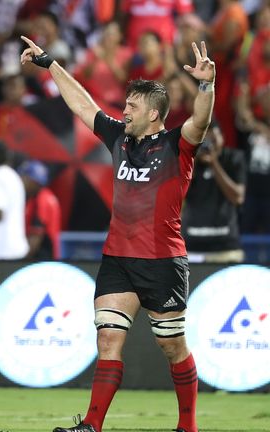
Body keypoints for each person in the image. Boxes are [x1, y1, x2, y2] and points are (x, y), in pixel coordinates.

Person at [20, 35, 215, 432]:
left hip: (163, 261)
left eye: (132, 106)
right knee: (108, 340)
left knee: (172, 346)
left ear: (155, 114)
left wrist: (206, 86)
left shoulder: (178, 144)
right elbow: (82, 105)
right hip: (118, 260)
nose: (124, 110)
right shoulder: (119, 139)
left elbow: (201, 121)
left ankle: (188, 426)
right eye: (125, 104)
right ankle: (91, 426)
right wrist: (51, 64)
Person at [182, 123, 246, 263]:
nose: (208, 145)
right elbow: (178, 195)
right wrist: (192, 161)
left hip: (225, 246)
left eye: (213, 140)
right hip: (191, 245)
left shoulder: (234, 158)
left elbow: (238, 198)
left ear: (222, 138)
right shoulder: (188, 161)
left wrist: (214, 164)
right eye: (204, 141)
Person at [20, 160, 62, 260]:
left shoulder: (41, 201)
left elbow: (36, 238)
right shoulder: (42, 196)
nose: (21, 181)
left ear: (32, 180)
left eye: (24, 177)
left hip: (42, 258)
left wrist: (20, 262)